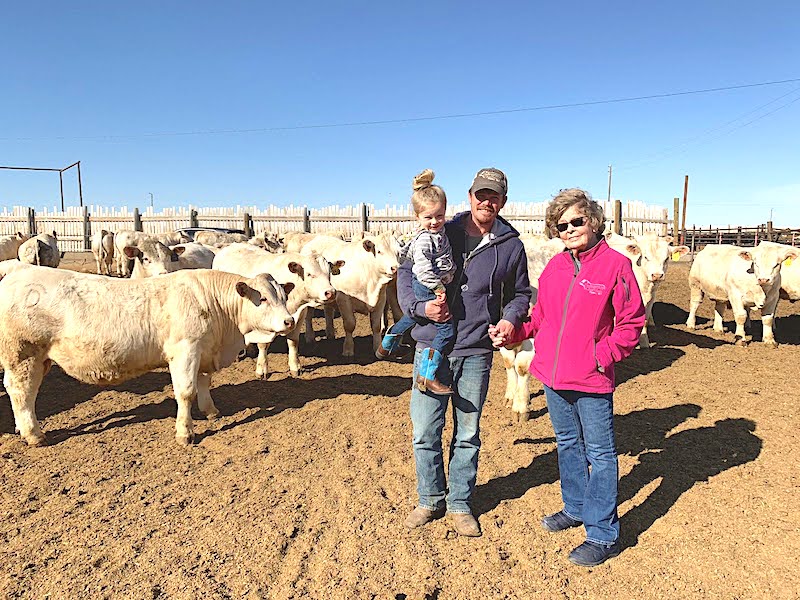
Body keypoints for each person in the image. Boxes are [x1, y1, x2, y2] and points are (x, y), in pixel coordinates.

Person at [489, 188, 645, 566]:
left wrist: (600, 356)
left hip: (591, 379)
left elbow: (631, 323)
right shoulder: (557, 267)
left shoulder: (615, 266)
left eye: (578, 221)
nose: (571, 229)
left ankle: (603, 534)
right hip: (553, 376)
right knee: (568, 444)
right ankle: (575, 507)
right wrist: (515, 332)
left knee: (602, 455)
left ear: (593, 221)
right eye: (562, 225)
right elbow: (540, 316)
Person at [397, 167, 532, 537]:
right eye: (480, 194)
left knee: (468, 432)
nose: (487, 201)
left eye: (495, 196)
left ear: (503, 201)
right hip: (431, 346)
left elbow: (521, 294)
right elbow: (405, 275)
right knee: (425, 429)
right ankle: (429, 499)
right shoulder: (442, 230)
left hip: (475, 350)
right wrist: (420, 309)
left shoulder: (510, 245)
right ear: (470, 196)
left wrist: (509, 319)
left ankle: (459, 503)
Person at [377, 169, 457, 395]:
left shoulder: (437, 233)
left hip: (429, 282)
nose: (434, 221)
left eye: (439, 216)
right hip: (427, 283)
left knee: (413, 315)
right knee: (446, 330)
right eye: (428, 217)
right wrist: (439, 287)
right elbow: (422, 270)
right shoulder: (424, 241)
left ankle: (388, 342)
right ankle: (427, 374)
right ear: (417, 217)